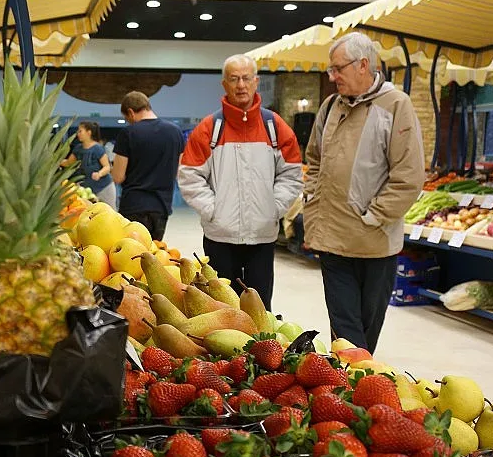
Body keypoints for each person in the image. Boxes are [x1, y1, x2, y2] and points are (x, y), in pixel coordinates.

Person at [303, 32, 425, 354]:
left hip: (375, 243)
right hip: (332, 241)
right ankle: (346, 387)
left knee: (366, 331)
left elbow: (409, 176)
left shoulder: (396, 105)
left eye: (338, 69)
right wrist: (312, 201)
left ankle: (359, 387)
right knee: (344, 332)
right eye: (331, 70)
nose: (333, 77)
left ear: (363, 65)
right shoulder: (330, 107)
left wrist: (372, 217)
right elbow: (313, 159)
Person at [178, 55, 303, 310]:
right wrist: (215, 211)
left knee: (260, 307)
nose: (241, 85)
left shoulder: (275, 127)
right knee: (220, 307)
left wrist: (273, 208)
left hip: (262, 237)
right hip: (219, 237)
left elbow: (291, 174)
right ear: (224, 84)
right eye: (234, 79)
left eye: (246, 78)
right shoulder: (208, 129)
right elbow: (189, 176)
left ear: (256, 81)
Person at [111, 91, 185, 241]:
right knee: (154, 254)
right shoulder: (175, 132)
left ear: (130, 112)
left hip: (133, 205)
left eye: (127, 119)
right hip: (161, 206)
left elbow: (118, 177)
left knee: (130, 256)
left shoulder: (128, 133)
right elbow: (180, 171)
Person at [61, 121, 115, 209]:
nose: (78, 134)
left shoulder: (98, 148)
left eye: (80, 131)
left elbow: (107, 167)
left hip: (103, 187)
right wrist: (55, 161)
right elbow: (68, 163)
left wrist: (99, 174)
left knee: (110, 211)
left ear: (88, 132)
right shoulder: (78, 148)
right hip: (87, 189)